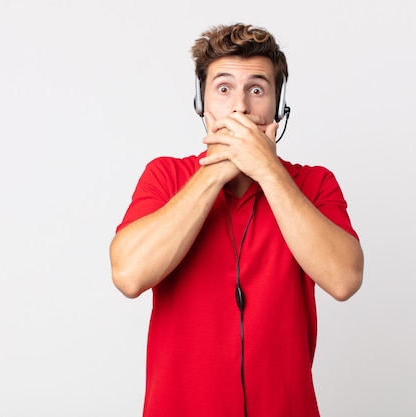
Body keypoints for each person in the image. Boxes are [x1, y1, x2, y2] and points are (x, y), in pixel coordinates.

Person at [109, 23, 364, 417]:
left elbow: (345, 279)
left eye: (257, 90)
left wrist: (268, 171)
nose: (240, 107)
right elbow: (129, 275)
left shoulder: (314, 184)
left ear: (278, 107)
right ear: (202, 103)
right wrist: (216, 170)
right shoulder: (165, 177)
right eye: (224, 88)